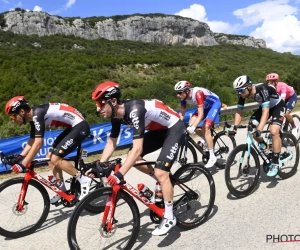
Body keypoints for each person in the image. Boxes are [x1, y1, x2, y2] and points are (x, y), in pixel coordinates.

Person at [88, 81, 186, 236]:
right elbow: (112, 141)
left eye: (100, 103)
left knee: (158, 170)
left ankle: (169, 217)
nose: (98, 109)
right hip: (159, 131)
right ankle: (162, 179)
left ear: (113, 101)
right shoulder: (115, 116)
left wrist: (119, 175)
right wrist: (101, 163)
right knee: (132, 157)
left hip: (174, 128)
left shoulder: (134, 110)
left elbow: (138, 148)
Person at [4, 96, 91, 203]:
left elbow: (38, 143)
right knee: (49, 158)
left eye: (13, 117)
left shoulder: (37, 113)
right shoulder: (33, 116)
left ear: (22, 111)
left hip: (80, 126)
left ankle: (83, 179)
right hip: (72, 127)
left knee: (55, 159)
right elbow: (32, 140)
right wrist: (21, 156)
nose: (12, 120)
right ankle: (62, 191)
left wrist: (23, 164)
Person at [232, 75, 286, 177]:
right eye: (237, 91)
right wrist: (235, 127)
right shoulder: (242, 94)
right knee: (251, 127)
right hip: (265, 107)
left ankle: (275, 163)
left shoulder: (262, 89)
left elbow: (266, 112)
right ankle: (265, 147)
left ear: (249, 86)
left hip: (278, 106)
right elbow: (239, 111)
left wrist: (260, 130)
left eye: (241, 90)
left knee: (274, 131)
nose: (240, 93)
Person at [174, 80, 222, 168]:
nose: (178, 95)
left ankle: (212, 156)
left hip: (215, 104)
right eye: (177, 93)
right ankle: (206, 141)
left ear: (187, 90)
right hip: (205, 107)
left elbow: (201, 114)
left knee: (205, 127)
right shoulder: (183, 98)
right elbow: (181, 114)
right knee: (191, 123)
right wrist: (177, 124)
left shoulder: (198, 93)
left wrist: (193, 126)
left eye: (180, 92)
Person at [266, 73, 298, 137]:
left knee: (286, 113)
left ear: (276, 81)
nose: (269, 83)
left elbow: (283, 98)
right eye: (268, 82)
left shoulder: (282, 85)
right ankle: (283, 129)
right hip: (281, 99)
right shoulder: (270, 89)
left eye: (271, 81)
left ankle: (294, 127)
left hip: (291, 97)